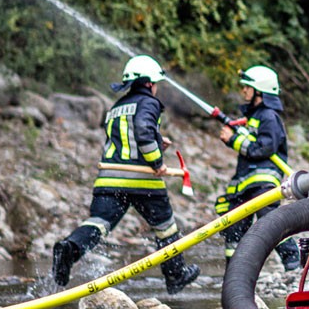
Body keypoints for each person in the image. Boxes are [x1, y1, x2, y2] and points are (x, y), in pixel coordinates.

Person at [50, 55, 201, 293]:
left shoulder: (117, 106)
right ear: (150, 83)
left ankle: (70, 249)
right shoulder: (149, 103)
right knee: (165, 226)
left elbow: (125, 138)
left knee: (100, 222)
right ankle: (176, 274)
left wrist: (158, 140)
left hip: (109, 178)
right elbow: (141, 132)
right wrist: (157, 161)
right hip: (141, 180)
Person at [216, 64, 302, 270]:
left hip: (263, 181)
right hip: (244, 182)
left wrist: (233, 139)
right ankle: (234, 273)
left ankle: (294, 262)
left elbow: (263, 148)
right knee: (234, 226)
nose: (243, 90)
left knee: (269, 220)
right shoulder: (254, 117)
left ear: (260, 91)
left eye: (247, 87)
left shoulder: (269, 117)